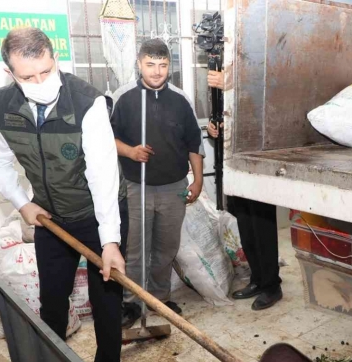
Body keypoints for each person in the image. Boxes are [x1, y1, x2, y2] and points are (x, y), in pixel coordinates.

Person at [0, 28, 129, 362]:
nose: (39, 82)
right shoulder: (4, 107)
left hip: (97, 214)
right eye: (27, 77)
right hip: (50, 218)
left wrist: (109, 240)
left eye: (46, 72)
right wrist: (23, 202)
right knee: (52, 298)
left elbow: (102, 176)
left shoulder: (88, 102)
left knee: (106, 301)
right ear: (10, 74)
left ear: (54, 59)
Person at [111, 39, 204, 329]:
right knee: (136, 249)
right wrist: (130, 151)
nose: (156, 71)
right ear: (139, 64)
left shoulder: (180, 99)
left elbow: (193, 143)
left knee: (166, 248)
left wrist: (198, 179)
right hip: (136, 186)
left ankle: (159, 298)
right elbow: (105, 140)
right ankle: (132, 302)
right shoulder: (123, 97)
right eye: (150, 65)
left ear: (169, 67)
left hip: (174, 186)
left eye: (163, 65)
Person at [207, 69, 283, 310]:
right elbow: (229, 112)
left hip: (258, 155)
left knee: (262, 225)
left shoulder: (258, 63)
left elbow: (268, 95)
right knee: (245, 224)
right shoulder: (227, 63)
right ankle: (258, 279)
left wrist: (231, 84)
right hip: (235, 156)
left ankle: (272, 285)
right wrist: (215, 126)